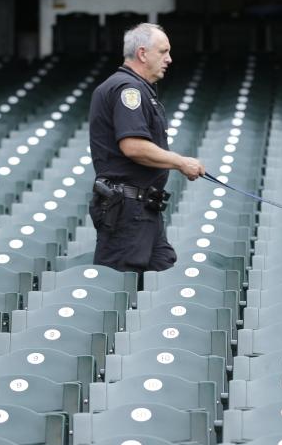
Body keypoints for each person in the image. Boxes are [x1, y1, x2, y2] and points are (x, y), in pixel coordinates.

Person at [88, 23, 205, 272]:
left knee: (162, 271)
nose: (169, 59)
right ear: (142, 54)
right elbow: (133, 147)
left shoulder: (137, 89)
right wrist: (181, 162)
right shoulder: (128, 90)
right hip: (127, 210)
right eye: (163, 52)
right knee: (119, 287)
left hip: (142, 209)